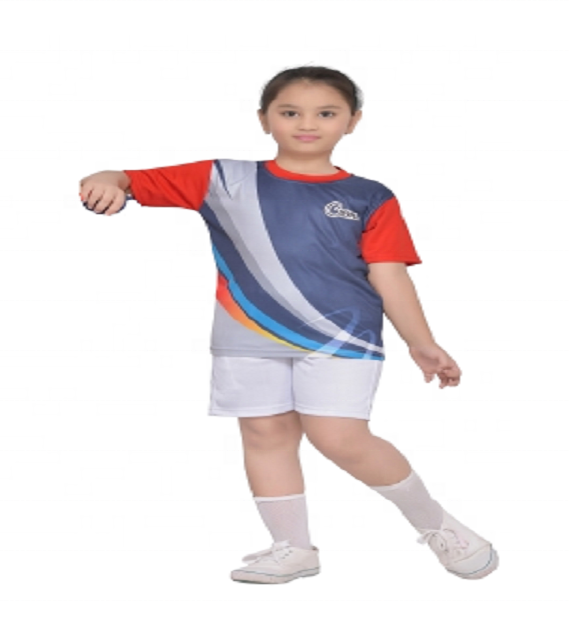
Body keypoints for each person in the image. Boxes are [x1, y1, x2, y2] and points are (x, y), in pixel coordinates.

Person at [78, 65, 499, 585]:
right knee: (264, 433)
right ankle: (293, 548)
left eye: (326, 113)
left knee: (340, 438)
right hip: (246, 335)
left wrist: (422, 343)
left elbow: (388, 273)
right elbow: (126, 179)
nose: (307, 123)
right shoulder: (223, 178)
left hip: (343, 335)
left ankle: (438, 525)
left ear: (352, 121)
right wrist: (105, 180)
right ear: (264, 119)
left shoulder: (371, 196)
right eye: (290, 112)